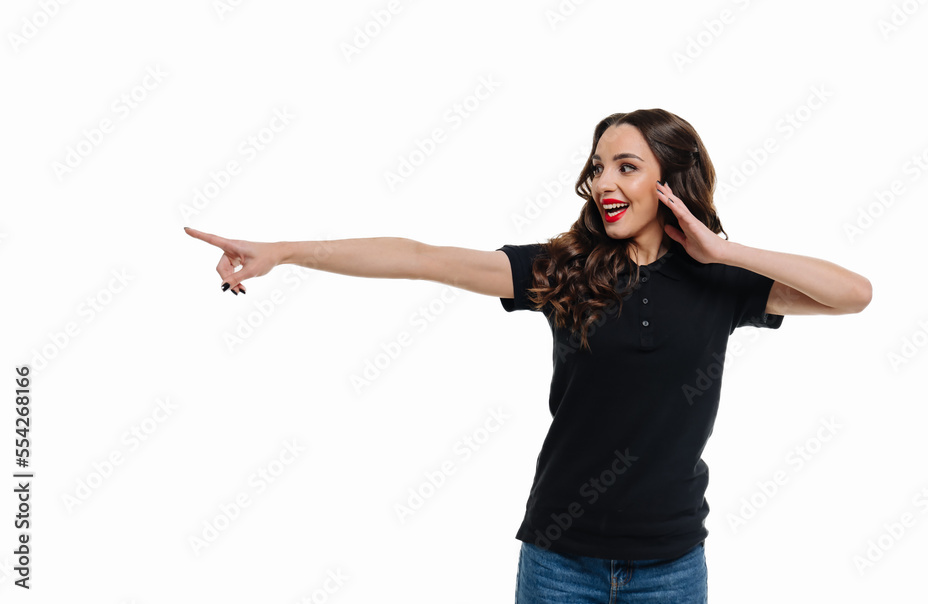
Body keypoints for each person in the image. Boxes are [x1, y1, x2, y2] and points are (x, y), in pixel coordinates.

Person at [185, 108, 872, 603]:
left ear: (672, 180)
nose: (605, 179)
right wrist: (285, 252)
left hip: (671, 566)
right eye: (599, 165)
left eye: (627, 166)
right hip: (559, 563)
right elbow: (421, 258)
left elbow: (853, 294)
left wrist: (721, 249)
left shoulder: (721, 285)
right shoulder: (562, 270)